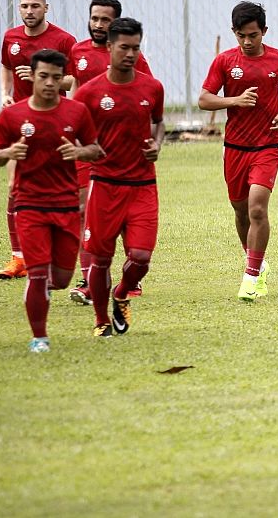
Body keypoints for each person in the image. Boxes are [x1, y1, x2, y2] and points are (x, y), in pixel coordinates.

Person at [0, 49, 99, 352]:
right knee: (37, 275)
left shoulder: (76, 112)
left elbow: (95, 149)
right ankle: (40, 337)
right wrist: (8, 154)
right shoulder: (13, 115)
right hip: (30, 205)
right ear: (32, 77)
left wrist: (79, 152)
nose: (49, 83)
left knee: (61, 279)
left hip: (65, 204)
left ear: (63, 79)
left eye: (55, 77)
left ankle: (44, 283)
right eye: (43, 77)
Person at [198, 2, 278, 301]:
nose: (247, 41)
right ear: (234, 32)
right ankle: (257, 263)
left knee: (257, 206)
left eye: (253, 35)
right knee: (241, 211)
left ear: (264, 31)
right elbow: (204, 99)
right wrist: (235, 101)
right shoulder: (224, 61)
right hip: (235, 148)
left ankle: (250, 277)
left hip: (267, 145)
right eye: (241, 35)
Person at [72, 18, 165, 337]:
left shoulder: (152, 87)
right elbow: (72, 137)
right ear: (109, 47)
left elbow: (158, 122)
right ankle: (100, 321)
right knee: (100, 259)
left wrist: (157, 144)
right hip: (105, 186)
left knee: (140, 258)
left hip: (143, 185)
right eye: (124, 47)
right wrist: (88, 151)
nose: (130, 54)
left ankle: (122, 292)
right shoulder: (88, 93)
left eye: (135, 48)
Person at [0, 0, 77, 281]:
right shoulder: (11, 37)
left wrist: (42, 78)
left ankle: (56, 252)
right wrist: (6, 93)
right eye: (24, 6)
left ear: (47, 7)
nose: (29, 11)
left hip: (56, 126)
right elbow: (6, 65)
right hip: (19, 125)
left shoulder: (63, 40)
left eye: (35, 6)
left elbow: (75, 80)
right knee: (14, 190)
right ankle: (19, 259)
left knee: (60, 190)